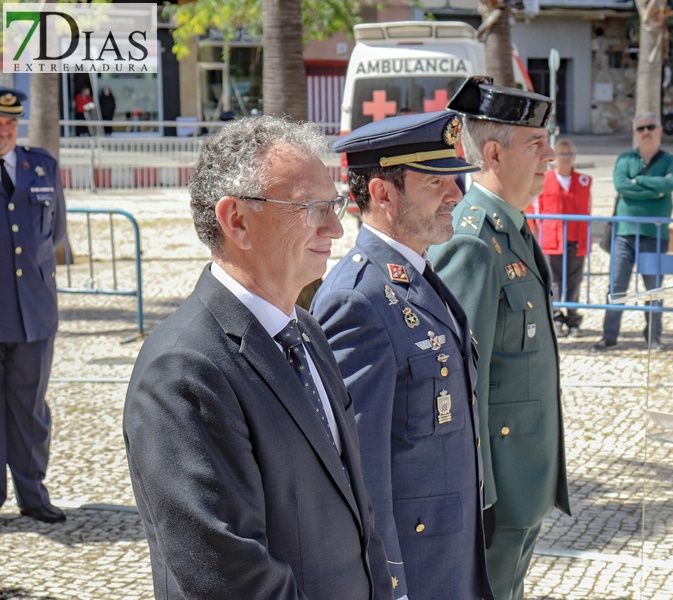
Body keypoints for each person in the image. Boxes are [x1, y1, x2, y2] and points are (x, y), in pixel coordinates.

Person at [123, 116, 393, 599]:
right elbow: (229, 575)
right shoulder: (184, 369)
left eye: (333, 205)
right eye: (312, 208)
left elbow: (356, 505)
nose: (335, 226)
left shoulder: (304, 331)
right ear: (238, 221)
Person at [312, 110, 493, 600]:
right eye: (436, 182)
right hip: (414, 569)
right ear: (382, 193)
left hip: (451, 554)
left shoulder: (416, 276)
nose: (456, 194)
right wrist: (389, 585)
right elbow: (361, 471)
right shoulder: (357, 298)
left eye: (454, 179)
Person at [426, 76, 570, 600]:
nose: (550, 155)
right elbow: (461, 382)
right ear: (493, 152)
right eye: (535, 143)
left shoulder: (510, 228)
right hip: (501, 488)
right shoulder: (472, 239)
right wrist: (479, 495)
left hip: (526, 473)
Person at [0, 88, 68, 524]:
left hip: (34, 313)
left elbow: (55, 232)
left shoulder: (41, 166)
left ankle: (32, 494)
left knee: (30, 409)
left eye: (10, 124)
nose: (4, 132)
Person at [593, 112, 673, 352]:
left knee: (655, 289)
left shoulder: (670, 161)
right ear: (635, 132)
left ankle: (653, 337)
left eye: (650, 127)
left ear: (660, 130)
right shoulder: (625, 158)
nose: (645, 132)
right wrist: (654, 189)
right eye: (640, 128)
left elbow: (671, 184)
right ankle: (609, 336)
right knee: (616, 286)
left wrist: (636, 183)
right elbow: (620, 184)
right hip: (624, 234)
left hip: (656, 236)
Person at [536, 138, 591, 338]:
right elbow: (538, 207)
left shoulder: (584, 181)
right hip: (552, 237)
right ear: (555, 157)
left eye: (569, 154)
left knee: (574, 280)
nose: (566, 158)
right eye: (562, 154)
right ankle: (557, 317)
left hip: (576, 238)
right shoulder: (545, 179)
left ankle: (573, 318)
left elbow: (587, 208)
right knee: (554, 280)